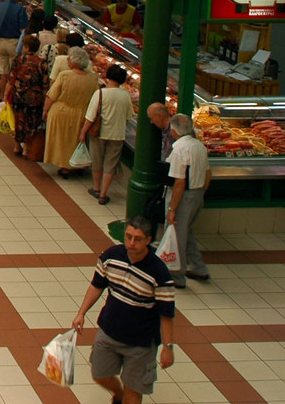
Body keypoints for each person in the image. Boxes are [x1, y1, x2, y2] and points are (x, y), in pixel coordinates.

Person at [71, 217, 176, 404]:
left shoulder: (159, 273)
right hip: (109, 331)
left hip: (140, 343)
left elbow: (166, 314)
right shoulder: (110, 256)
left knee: (133, 392)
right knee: (99, 374)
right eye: (128, 237)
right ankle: (118, 395)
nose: (131, 243)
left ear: (148, 240)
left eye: (138, 239)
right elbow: (97, 285)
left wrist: (168, 347)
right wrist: (81, 313)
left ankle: (125, 396)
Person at [163, 113, 210, 288]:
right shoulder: (199, 146)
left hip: (184, 197)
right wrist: (201, 195)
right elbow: (207, 173)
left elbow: (179, 182)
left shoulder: (179, 149)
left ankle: (176, 276)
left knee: (177, 236)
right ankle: (198, 267)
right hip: (197, 194)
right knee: (186, 231)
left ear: (173, 131)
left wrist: (172, 209)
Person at [44, 47, 100, 177]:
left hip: (61, 111)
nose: (67, 60)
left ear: (74, 62)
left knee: (62, 140)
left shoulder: (64, 75)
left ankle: (65, 166)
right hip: (82, 113)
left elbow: (52, 95)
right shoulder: (92, 78)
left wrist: (45, 110)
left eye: (69, 58)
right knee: (76, 139)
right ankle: (77, 163)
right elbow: (95, 98)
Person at [82, 65, 133, 205]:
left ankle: (96, 188)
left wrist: (83, 132)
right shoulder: (125, 96)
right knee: (110, 164)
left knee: (97, 161)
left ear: (108, 76)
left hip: (99, 133)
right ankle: (104, 193)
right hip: (117, 134)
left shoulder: (100, 93)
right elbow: (128, 117)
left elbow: (90, 116)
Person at [2, 35, 49, 160]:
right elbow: (45, 83)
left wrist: (6, 95)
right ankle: (27, 149)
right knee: (32, 123)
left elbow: (11, 79)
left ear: (27, 48)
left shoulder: (19, 60)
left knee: (19, 120)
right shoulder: (42, 63)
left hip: (19, 95)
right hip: (35, 98)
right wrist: (45, 99)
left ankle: (17, 146)